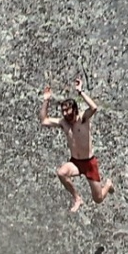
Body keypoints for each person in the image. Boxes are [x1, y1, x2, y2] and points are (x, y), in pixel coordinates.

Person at [40, 76, 115, 214]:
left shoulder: (83, 118)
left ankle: (108, 184)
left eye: (68, 110)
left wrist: (80, 92)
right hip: (75, 162)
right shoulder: (63, 123)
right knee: (61, 173)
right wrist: (46, 100)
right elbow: (44, 120)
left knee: (98, 199)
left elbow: (94, 107)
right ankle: (77, 198)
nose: (65, 114)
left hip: (89, 163)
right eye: (63, 111)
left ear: (74, 109)